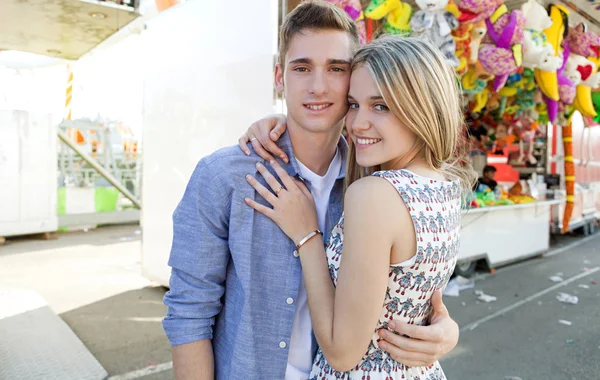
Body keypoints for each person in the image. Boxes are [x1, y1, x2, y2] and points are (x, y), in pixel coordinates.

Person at [163, 2, 459, 379]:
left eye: (336, 69)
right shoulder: (223, 176)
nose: (318, 86)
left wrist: (445, 329)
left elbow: (397, 287)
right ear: (279, 76)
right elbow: (189, 312)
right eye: (301, 68)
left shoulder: (372, 181)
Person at [241, 35, 475, 378]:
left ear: (421, 108)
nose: (357, 123)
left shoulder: (374, 195)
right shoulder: (443, 186)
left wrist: (307, 236)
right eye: (353, 104)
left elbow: (342, 353)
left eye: (380, 106)